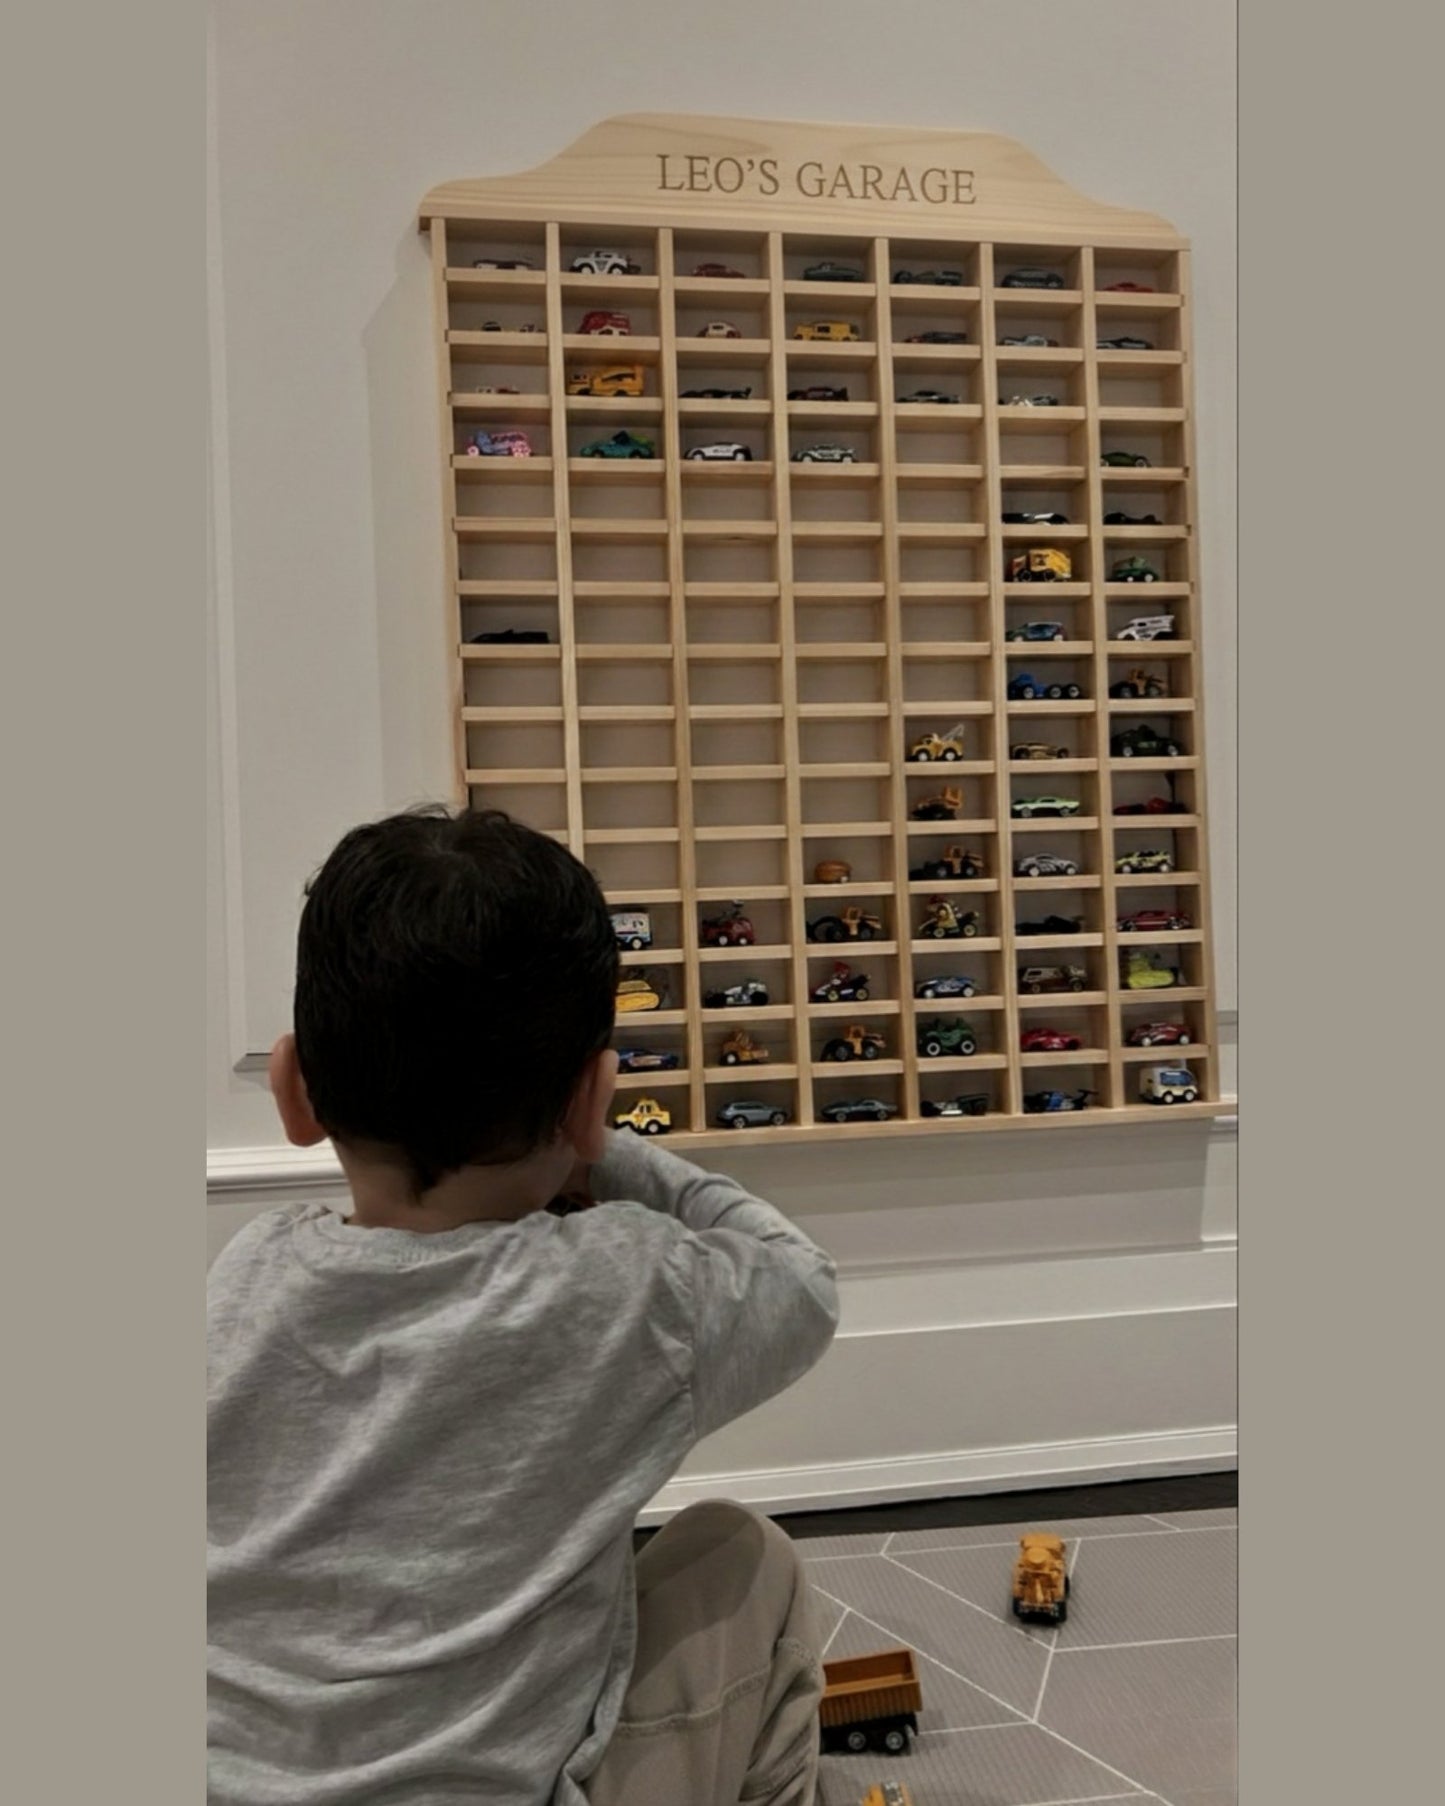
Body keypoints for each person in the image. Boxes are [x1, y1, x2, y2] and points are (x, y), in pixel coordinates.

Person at [208, 805, 839, 1805]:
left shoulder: (240, 1278)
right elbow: (795, 1280)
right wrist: (601, 1147)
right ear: (589, 1101)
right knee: (739, 1554)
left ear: (293, 1090)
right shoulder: (631, 1289)